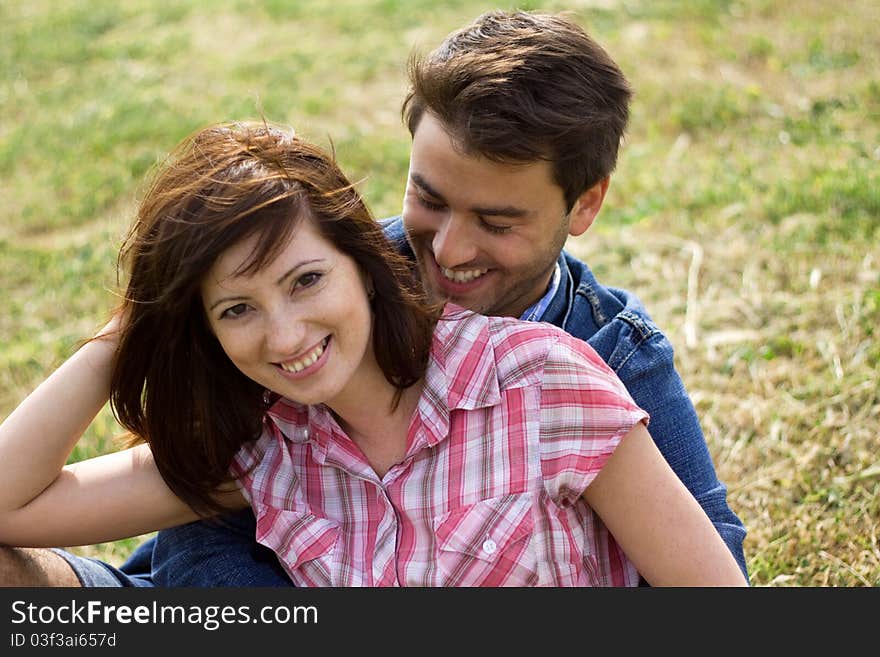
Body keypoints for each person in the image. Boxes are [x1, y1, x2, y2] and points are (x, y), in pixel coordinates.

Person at [0, 9, 748, 587]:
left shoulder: (580, 362)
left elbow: (713, 572)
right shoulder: (281, 408)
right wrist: (137, 322)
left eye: (496, 221)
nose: (448, 252)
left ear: (583, 207)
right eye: (428, 199)